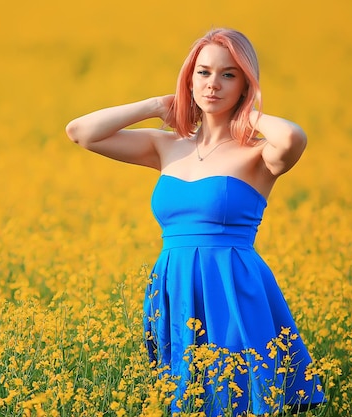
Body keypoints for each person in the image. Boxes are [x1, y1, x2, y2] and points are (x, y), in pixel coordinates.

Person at [66, 28, 326, 416]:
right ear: (189, 79)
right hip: (174, 287)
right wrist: (157, 104)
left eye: (228, 75)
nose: (213, 85)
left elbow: (292, 137)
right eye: (203, 73)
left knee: (237, 394)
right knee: (183, 398)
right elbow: (80, 132)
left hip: (232, 287)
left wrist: (246, 113)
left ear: (245, 84)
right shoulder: (166, 145)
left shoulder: (257, 155)